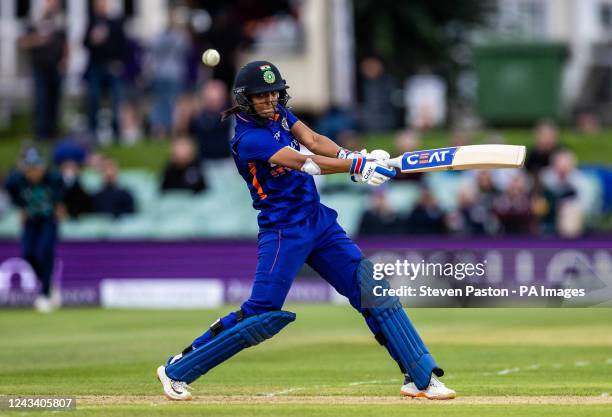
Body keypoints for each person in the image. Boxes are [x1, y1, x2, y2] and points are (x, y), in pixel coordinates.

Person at [156, 61, 455, 401]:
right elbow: (305, 162)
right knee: (261, 314)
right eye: (261, 96)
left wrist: (351, 155)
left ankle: (420, 377)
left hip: (319, 221)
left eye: (273, 93)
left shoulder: (279, 113)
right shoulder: (248, 139)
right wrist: (357, 166)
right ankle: (177, 368)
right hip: (284, 229)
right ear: (244, 99)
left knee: (372, 290)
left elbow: (313, 140)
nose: (269, 101)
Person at [5, 147, 64, 313]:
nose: (33, 172)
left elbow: (60, 197)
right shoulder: (15, 180)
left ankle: (45, 294)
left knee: (46, 250)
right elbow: (13, 195)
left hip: (48, 219)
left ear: (42, 166)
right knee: (27, 253)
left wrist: (59, 207)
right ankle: (48, 283)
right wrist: (22, 207)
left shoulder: (53, 178)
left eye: (36, 167)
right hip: (30, 220)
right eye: (29, 168)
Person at [19, 0, 68, 141]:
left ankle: (53, 132)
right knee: (41, 100)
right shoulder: (35, 20)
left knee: (54, 100)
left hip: (56, 67)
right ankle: (40, 133)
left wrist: (65, 60)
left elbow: (65, 43)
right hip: (39, 67)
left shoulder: (59, 21)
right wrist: (39, 39)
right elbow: (23, 42)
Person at [83, 0, 127, 141]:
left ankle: (116, 132)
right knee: (93, 98)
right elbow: (84, 43)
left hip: (112, 66)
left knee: (116, 100)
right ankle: (92, 132)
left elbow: (123, 44)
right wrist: (93, 40)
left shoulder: (115, 23)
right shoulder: (91, 23)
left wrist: (118, 62)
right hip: (96, 67)